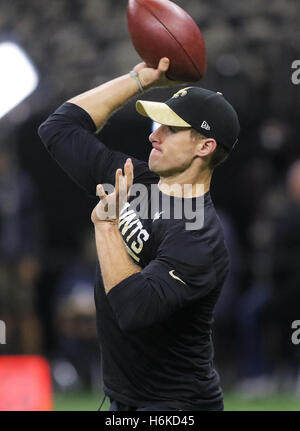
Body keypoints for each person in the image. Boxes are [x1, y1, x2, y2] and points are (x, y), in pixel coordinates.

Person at [38, 58, 240, 411]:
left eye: (170, 129)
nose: (153, 135)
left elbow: (133, 309)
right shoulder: (137, 180)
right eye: (156, 125)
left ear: (204, 147)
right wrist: (139, 79)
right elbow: (59, 128)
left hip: (176, 408)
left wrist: (106, 227)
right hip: (126, 402)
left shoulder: (200, 234)